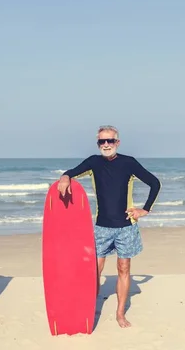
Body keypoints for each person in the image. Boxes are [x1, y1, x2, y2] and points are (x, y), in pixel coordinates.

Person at [57, 125, 161, 328]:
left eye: (110, 141)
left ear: (117, 142)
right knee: (94, 270)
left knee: (124, 268)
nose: (106, 145)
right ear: (98, 144)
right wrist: (64, 177)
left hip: (126, 226)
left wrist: (145, 210)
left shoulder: (128, 163)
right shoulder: (93, 162)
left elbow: (154, 183)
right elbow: (72, 172)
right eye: (102, 141)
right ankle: (88, 308)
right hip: (102, 227)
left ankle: (120, 313)